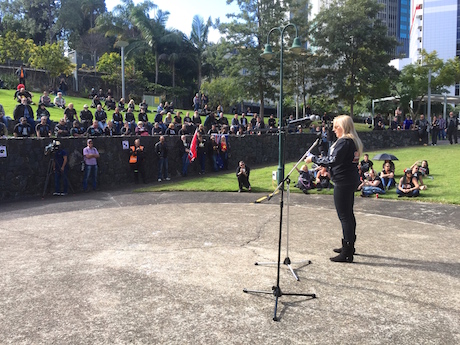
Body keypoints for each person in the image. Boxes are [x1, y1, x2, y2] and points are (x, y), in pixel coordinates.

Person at [305, 115, 363, 263]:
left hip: (343, 181)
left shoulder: (344, 141)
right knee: (348, 214)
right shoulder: (353, 141)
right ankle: (349, 245)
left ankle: (347, 252)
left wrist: (314, 159)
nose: (333, 130)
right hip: (350, 179)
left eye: (336, 127)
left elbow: (333, 160)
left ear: (342, 127)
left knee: (344, 216)